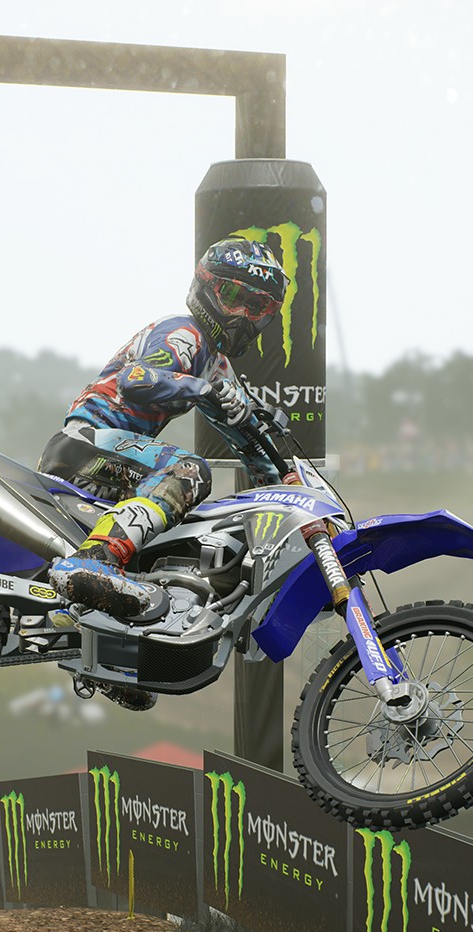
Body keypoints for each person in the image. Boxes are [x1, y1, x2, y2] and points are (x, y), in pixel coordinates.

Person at [37, 238, 289, 702]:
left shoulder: (216, 364)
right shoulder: (184, 333)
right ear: (207, 288)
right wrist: (203, 389)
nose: (243, 315)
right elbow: (136, 381)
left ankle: (107, 656)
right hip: (87, 443)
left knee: (162, 545)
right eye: (234, 297)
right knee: (189, 471)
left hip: (121, 468)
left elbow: (250, 441)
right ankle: (91, 562)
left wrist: (285, 479)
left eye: (257, 307)